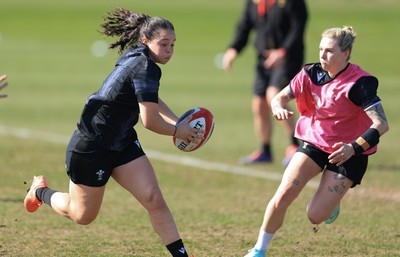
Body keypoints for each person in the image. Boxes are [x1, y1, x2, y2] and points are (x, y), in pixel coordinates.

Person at [24, 8, 200, 257]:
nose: (169, 50)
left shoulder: (140, 57)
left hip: (122, 141)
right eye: (164, 44)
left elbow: (151, 98)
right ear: (145, 40)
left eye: (172, 44)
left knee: (153, 198)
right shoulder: (144, 66)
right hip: (92, 145)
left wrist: (180, 121)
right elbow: (149, 120)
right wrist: (178, 131)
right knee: (82, 215)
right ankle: (40, 191)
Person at [243, 26, 389, 257]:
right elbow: (281, 96)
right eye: (321, 49)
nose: (322, 55)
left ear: (346, 53)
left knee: (315, 215)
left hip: (350, 152)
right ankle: (259, 249)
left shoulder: (360, 83)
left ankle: (332, 202)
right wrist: (278, 106)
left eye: (330, 51)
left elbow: (381, 124)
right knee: (283, 194)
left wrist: (352, 148)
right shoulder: (311, 73)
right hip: (315, 143)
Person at [222, 0, 308, 165]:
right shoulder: (254, 2)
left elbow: (298, 28)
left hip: (287, 59)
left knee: (273, 96)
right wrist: (233, 49)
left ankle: (295, 146)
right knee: (259, 103)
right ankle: (265, 151)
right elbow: (244, 26)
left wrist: (283, 51)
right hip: (264, 60)